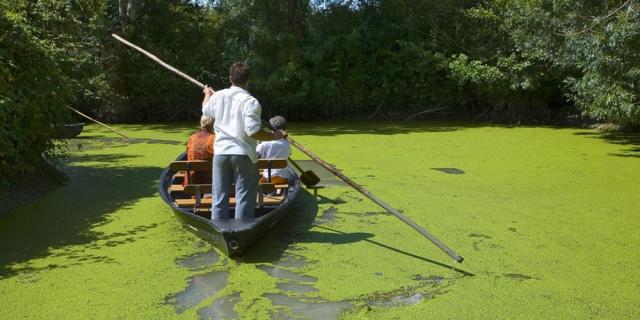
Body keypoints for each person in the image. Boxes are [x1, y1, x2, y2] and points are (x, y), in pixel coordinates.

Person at [202, 62, 286, 220]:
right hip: (243, 154)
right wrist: (275, 135)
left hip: (220, 154)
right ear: (248, 80)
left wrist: (207, 94)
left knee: (219, 198)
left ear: (230, 78)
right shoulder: (251, 102)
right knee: (244, 198)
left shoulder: (218, 96)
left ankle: (219, 231)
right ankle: (241, 233)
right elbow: (253, 131)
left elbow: (205, 109)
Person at [256, 115, 296, 186]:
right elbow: (289, 154)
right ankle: (277, 192)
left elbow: (256, 155)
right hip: (283, 178)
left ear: (271, 129)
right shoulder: (287, 144)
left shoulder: (265, 143)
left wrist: (259, 142)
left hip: (267, 178)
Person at [184, 115, 215, 186]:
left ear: (201, 123)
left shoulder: (192, 138)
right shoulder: (214, 139)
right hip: (210, 182)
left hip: (192, 182)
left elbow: (188, 154)